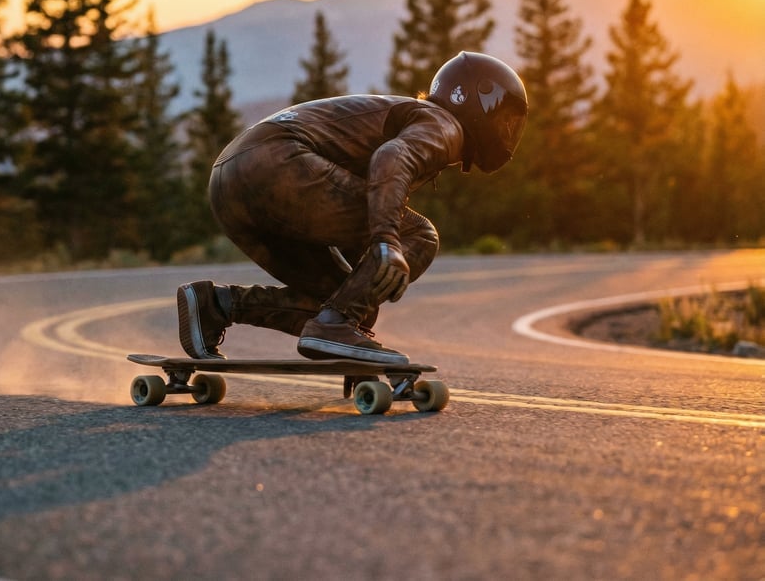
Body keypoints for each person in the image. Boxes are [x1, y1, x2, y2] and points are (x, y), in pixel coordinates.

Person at [176, 51, 528, 365]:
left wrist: (361, 293)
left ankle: (215, 305)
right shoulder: (444, 124)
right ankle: (334, 327)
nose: (508, 132)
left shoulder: (416, 116)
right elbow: (391, 157)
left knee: (343, 300)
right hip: (276, 163)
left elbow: (353, 202)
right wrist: (387, 239)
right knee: (419, 235)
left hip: (230, 179)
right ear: (479, 100)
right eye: (507, 120)